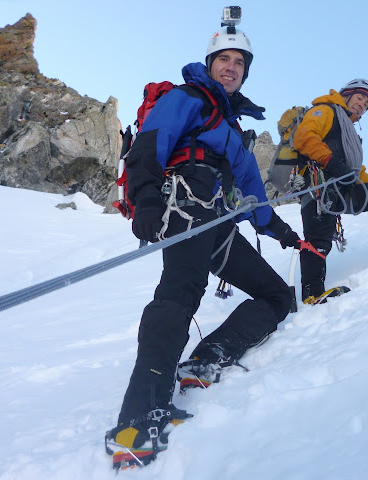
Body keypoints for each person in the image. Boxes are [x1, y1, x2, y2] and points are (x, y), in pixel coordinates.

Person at [105, 23, 300, 468]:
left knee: (276, 296)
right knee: (179, 294)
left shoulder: (233, 131)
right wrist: (148, 197)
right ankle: (138, 417)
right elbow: (151, 144)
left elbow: (255, 198)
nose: (231, 68)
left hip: (218, 221)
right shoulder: (189, 98)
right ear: (210, 64)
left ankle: (206, 359)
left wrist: (288, 236)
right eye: (224, 60)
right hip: (185, 205)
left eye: (239, 63)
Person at [293, 79, 368, 304]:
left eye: (366, 103)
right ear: (346, 95)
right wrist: (333, 163)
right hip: (317, 186)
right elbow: (304, 137)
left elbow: (357, 170)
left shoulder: (349, 132)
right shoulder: (324, 110)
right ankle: (313, 294)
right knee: (318, 240)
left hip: (343, 187)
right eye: (360, 98)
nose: (362, 105)